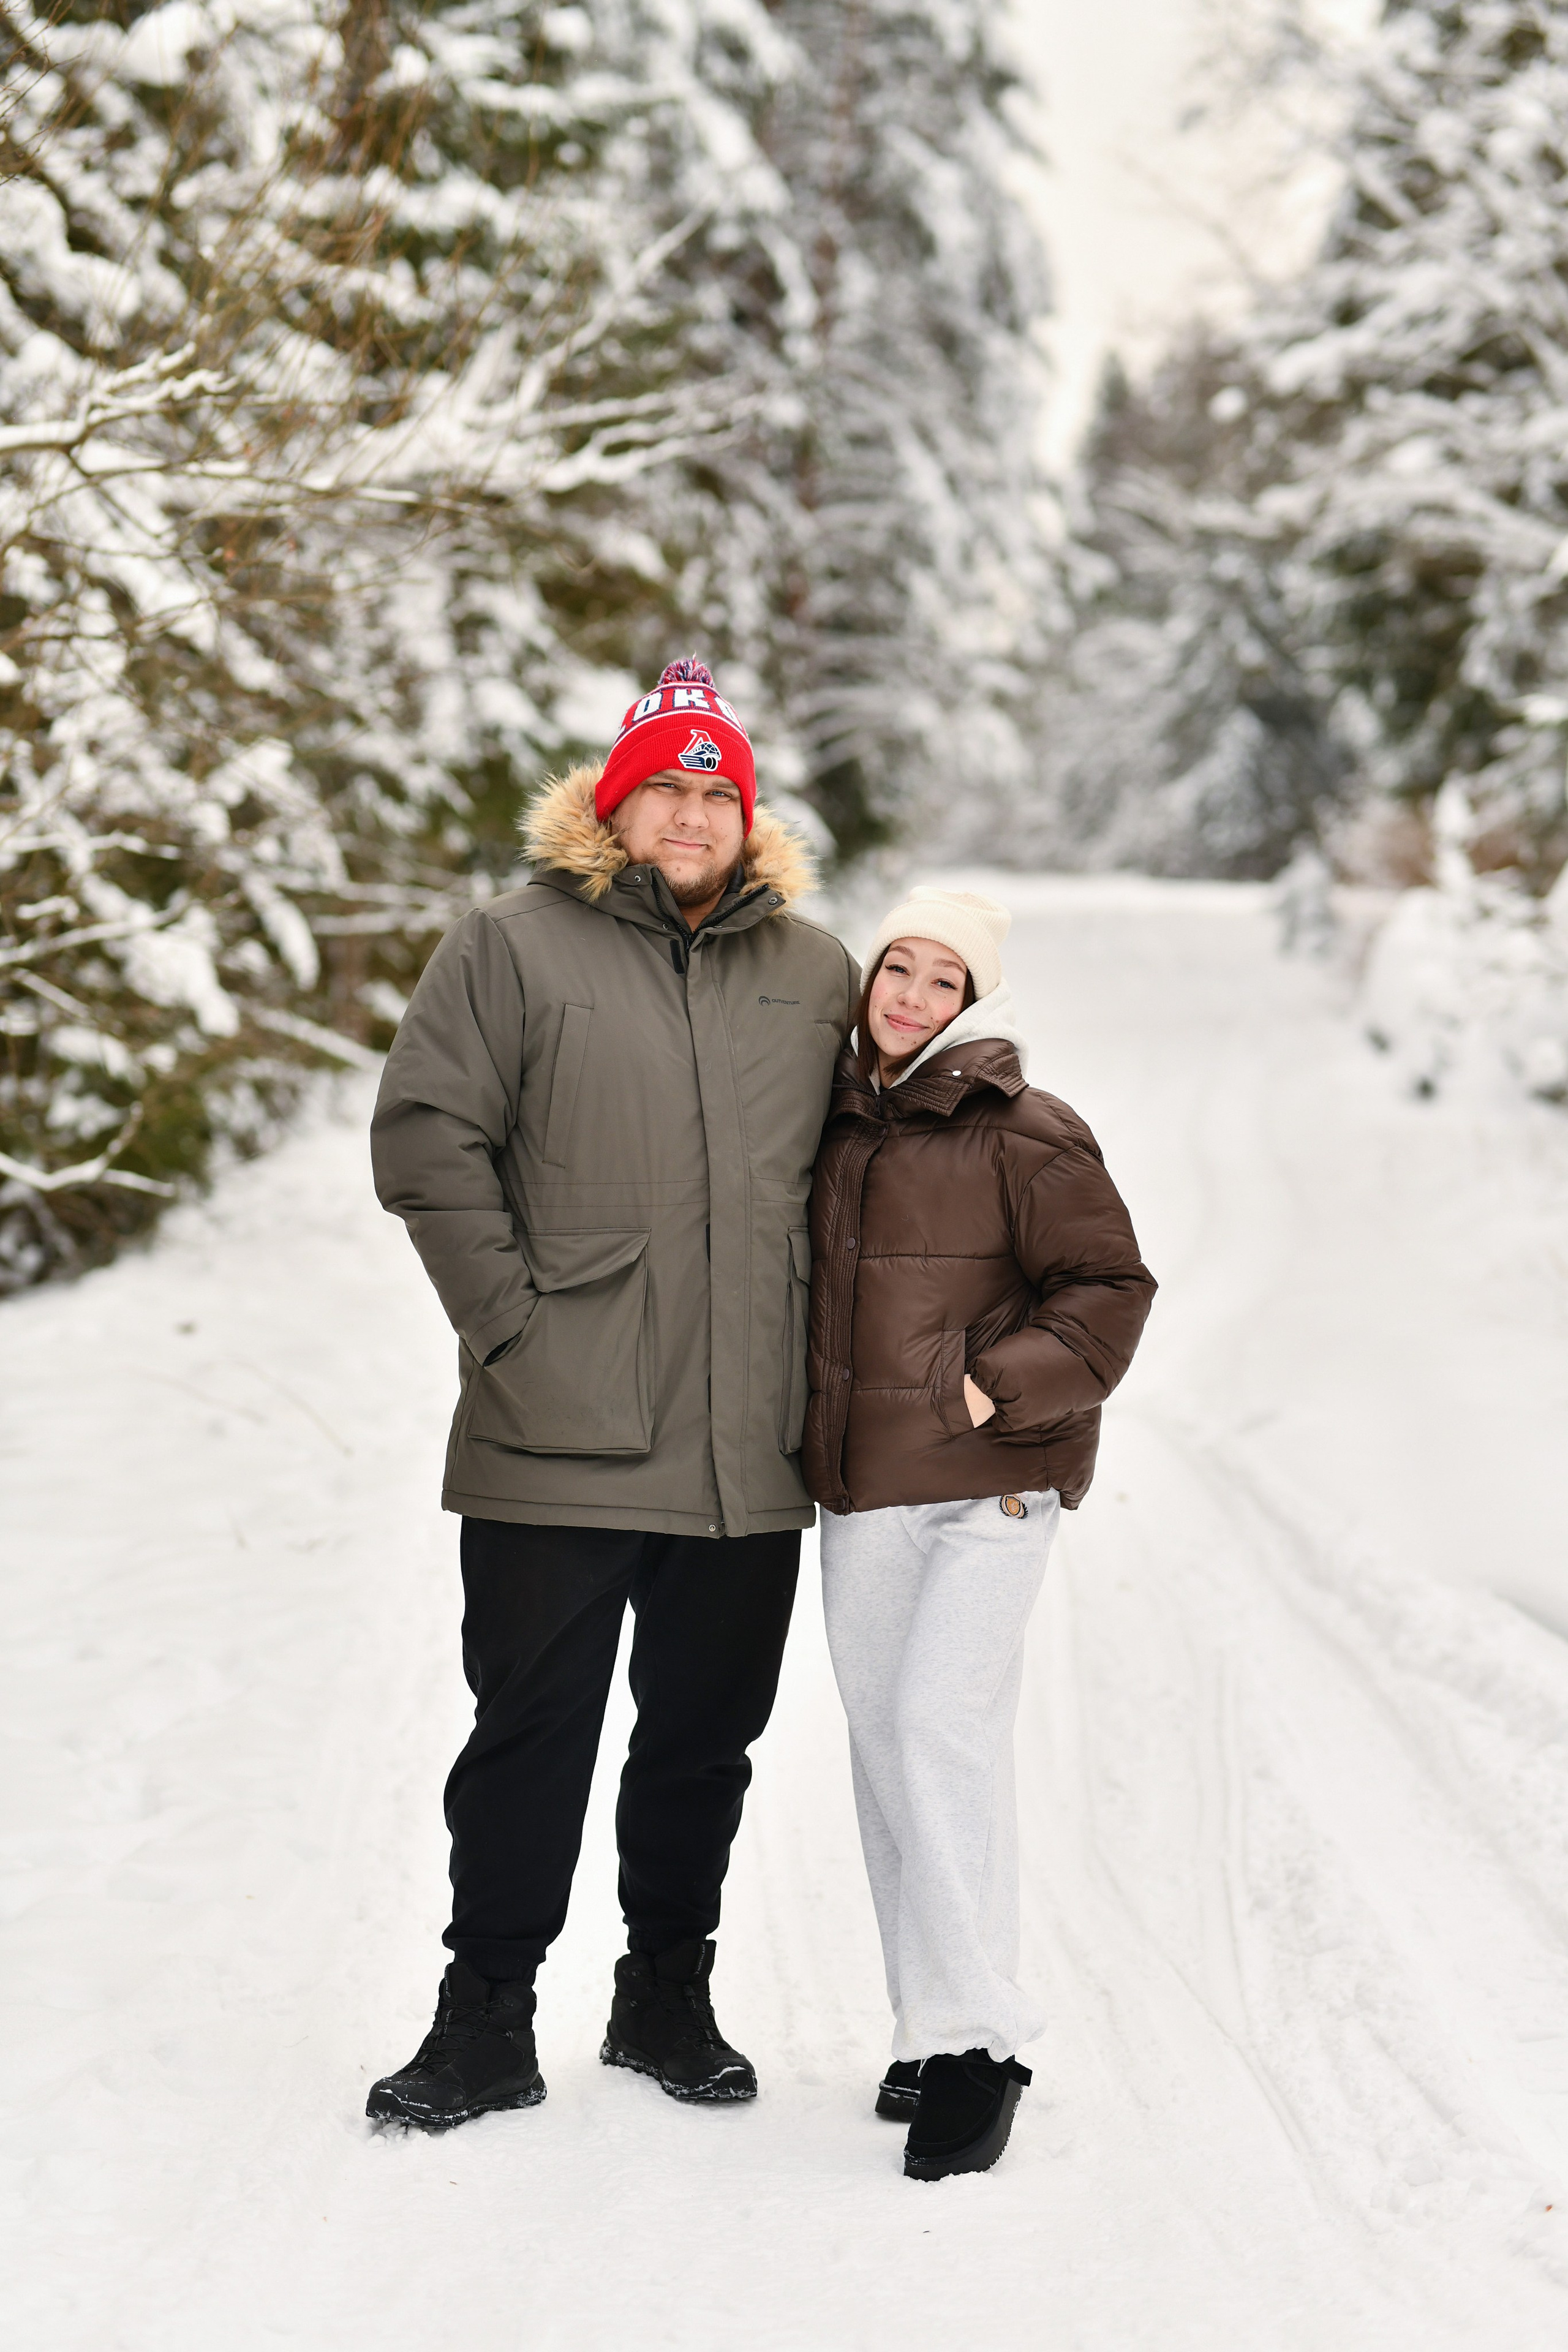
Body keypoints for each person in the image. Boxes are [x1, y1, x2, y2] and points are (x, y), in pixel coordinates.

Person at [367, 659, 857, 2128]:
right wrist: (515, 1330)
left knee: (705, 1736)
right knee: (529, 1733)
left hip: (743, 1439)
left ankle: (663, 1998)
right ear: (615, 802)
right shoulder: (511, 947)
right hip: (556, 1428)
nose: (692, 814)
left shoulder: (815, 973)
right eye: (667, 788)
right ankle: (484, 2020)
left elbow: (880, 1167)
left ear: (748, 817)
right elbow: (426, 1140)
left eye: (719, 793)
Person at [804, 886, 1155, 2180]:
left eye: (939, 979)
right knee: (884, 1740)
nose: (905, 995)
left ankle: (974, 2042)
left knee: (937, 1725)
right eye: (893, 967)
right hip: (864, 1491)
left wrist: (990, 1385)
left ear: (977, 1002)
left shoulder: (1028, 1131)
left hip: (990, 1484)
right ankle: (928, 2013)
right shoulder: (837, 1123)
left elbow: (1111, 1287)